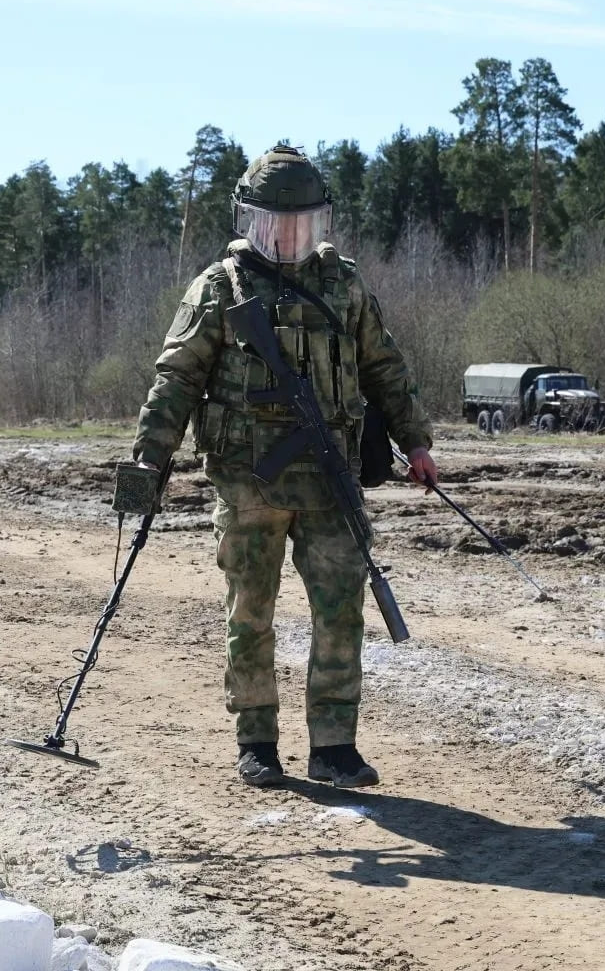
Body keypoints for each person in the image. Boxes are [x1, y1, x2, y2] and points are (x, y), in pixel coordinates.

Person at [132, 143, 438, 790]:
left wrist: (415, 443)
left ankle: (334, 746)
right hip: (249, 482)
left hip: (330, 480)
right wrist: (149, 460)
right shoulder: (220, 288)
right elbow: (177, 378)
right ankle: (257, 742)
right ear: (250, 220)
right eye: (276, 224)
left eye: (302, 224)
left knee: (341, 611)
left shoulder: (343, 285)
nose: (290, 236)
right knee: (250, 614)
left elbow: (385, 368)